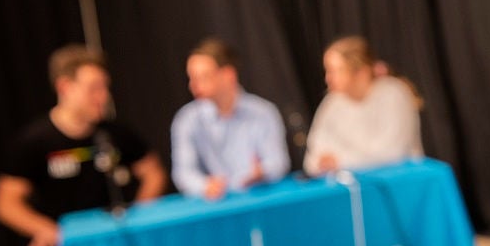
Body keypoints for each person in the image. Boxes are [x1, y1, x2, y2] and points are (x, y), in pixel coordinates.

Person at [0, 43, 166, 246]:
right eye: (93, 89)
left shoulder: (113, 134)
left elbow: (152, 172)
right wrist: (47, 230)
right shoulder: (34, 142)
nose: (102, 97)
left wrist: (138, 215)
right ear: (65, 87)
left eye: (105, 88)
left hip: (113, 237)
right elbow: (5, 203)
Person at [171, 37, 291, 199]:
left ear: (228, 75)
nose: (193, 85)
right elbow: (183, 172)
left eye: (203, 76)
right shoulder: (187, 120)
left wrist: (261, 172)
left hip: (259, 198)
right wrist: (205, 185)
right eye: (192, 78)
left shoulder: (263, 112)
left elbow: (278, 162)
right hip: (215, 206)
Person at [302, 35, 424, 176]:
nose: (328, 78)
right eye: (328, 71)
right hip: (352, 188)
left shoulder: (393, 93)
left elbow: (392, 153)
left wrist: (340, 161)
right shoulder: (332, 103)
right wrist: (322, 162)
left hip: (399, 184)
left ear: (361, 72)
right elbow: (313, 156)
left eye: (337, 71)